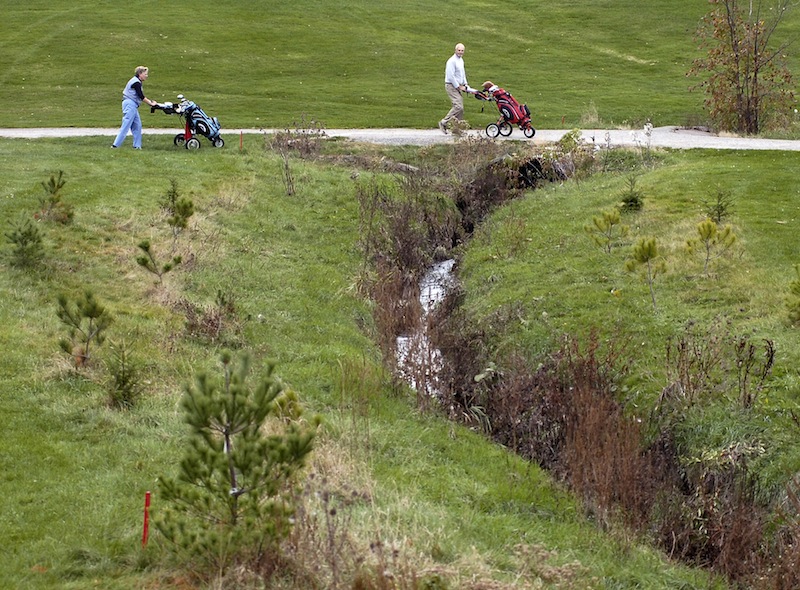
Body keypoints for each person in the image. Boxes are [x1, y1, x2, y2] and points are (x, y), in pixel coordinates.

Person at [111, 66, 158, 149]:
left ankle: (137, 146)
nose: (147, 76)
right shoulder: (136, 83)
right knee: (126, 124)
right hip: (130, 104)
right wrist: (151, 103)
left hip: (133, 105)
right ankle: (115, 145)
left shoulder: (137, 81)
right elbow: (141, 96)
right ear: (140, 74)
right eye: (145, 74)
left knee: (137, 125)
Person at [439, 43, 470, 133]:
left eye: (462, 51)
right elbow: (451, 76)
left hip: (458, 86)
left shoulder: (461, 60)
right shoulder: (451, 61)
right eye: (459, 50)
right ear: (455, 50)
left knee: (460, 108)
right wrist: (458, 86)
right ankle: (444, 122)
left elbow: (462, 74)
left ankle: (457, 129)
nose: (460, 52)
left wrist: (465, 84)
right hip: (451, 86)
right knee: (458, 106)